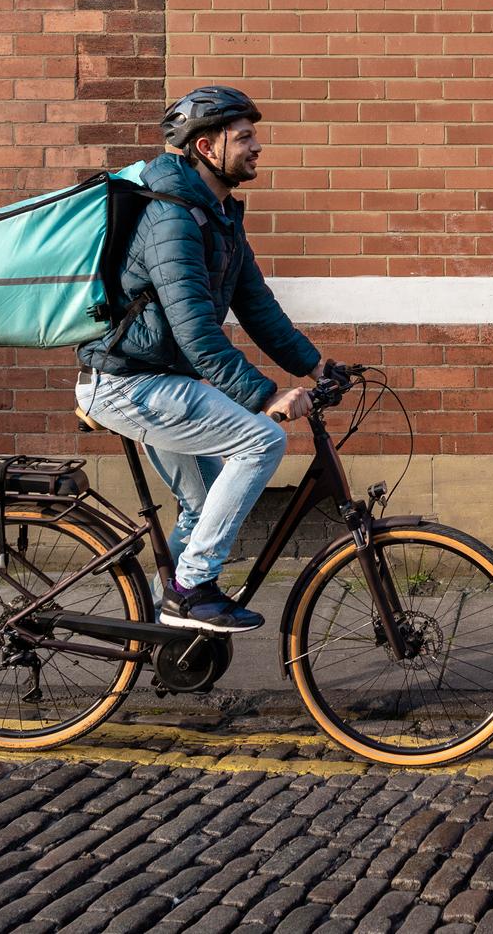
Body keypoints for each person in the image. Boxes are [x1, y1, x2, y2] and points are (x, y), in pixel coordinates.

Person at [74, 86, 331, 634]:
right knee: (261, 439)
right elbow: (194, 330)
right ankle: (190, 587)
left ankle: (165, 632)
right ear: (206, 147)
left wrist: (316, 368)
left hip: (161, 381)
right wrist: (265, 395)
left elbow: (257, 306)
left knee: (202, 503)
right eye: (245, 138)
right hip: (130, 383)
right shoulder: (173, 220)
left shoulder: (218, 216)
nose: (257, 147)